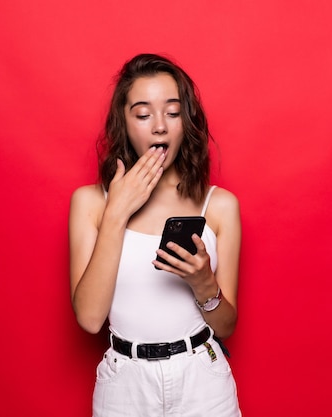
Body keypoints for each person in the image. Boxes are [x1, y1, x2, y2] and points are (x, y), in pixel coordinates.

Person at [69, 53, 242, 416]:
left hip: (203, 381)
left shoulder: (219, 205)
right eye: (144, 114)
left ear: (187, 123)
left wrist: (204, 283)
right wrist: (117, 212)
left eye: (173, 113)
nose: (159, 126)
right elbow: (89, 318)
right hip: (125, 387)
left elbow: (225, 326)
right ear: (125, 124)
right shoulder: (90, 202)